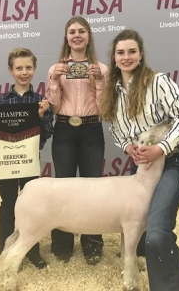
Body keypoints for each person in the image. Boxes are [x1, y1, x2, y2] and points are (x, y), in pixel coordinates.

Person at [99, 29, 179, 291]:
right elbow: (115, 129)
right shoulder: (113, 90)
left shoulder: (158, 82)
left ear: (140, 55)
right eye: (120, 52)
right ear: (114, 57)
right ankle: (135, 267)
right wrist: (128, 147)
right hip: (139, 166)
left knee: (157, 233)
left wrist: (160, 148)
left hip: (171, 162)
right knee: (137, 232)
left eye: (131, 51)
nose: (126, 57)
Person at [0, 47, 53, 269]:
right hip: (7, 163)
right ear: (11, 70)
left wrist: (40, 117)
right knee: (7, 204)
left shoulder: (41, 101)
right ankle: (5, 250)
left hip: (29, 160)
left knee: (34, 206)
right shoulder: (0, 102)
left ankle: (32, 251)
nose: (24, 72)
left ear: (35, 69)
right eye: (19, 68)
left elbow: (46, 133)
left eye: (28, 67)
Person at [45, 16, 108, 265]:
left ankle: (93, 242)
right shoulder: (56, 69)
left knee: (93, 188)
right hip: (64, 128)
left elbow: (105, 109)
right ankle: (62, 242)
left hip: (92, 129)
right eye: (72, 31)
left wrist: (100, 83)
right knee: (63, 187)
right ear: (66, 37)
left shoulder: (101, 69)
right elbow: (54, 106)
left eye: (82, 31)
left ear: (89, 36)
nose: (77, 35)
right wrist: (52, 80)